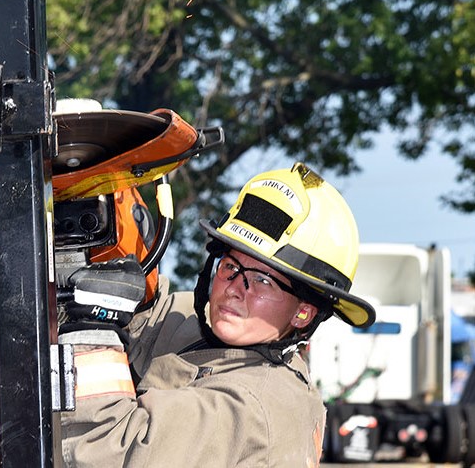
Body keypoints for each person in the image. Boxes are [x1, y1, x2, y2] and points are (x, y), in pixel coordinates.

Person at [57, 161, 377, 467]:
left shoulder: (250, 405)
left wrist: (90, 329)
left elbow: (108, 453)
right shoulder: (217, 330)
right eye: (230, 267)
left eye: (262, 280)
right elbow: (151, 318)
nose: (235, 288)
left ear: (304, 313)